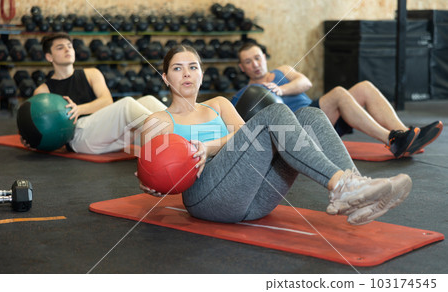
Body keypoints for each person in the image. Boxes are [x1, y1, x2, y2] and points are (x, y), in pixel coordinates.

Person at [137, 45, 412, 226]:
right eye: (177, 68)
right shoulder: (158, 120)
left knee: (310, 116)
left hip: (256, 198)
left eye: (193, 67)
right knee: (274, 117)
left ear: (201, 74)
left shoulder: (219, 104)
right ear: (165, 78)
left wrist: (209, 147)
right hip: (207, 201)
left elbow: (246, 137)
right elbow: (153, 174)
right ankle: (342, 187)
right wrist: (152, 184)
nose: (186, 73)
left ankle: (356, 191)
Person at [232, 43, 443, 159]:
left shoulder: (282, 71)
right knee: (339, 93)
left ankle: (405, 135)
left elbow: (305, 82)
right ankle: (392, 140)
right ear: (242, 67)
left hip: (321, 116)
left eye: (257, 57)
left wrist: (280, 89)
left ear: (264, 57)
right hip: (300, 128)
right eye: (248, 62)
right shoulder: (245, 93)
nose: (255, 64)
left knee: (364, 87)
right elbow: (238, 125)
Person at [22, 33, 167, 154]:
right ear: (49, 57)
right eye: (60, 47)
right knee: (127, 104)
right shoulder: (43, 91)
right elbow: (36, 123)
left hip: (106, 131)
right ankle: (177, 137)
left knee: (149, 100)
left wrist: (78, 109)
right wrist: (30, 135)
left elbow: (106, 101)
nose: (67, 50)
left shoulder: (92, 73)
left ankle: (181, 136)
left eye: (70, 46)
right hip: (78, 137)